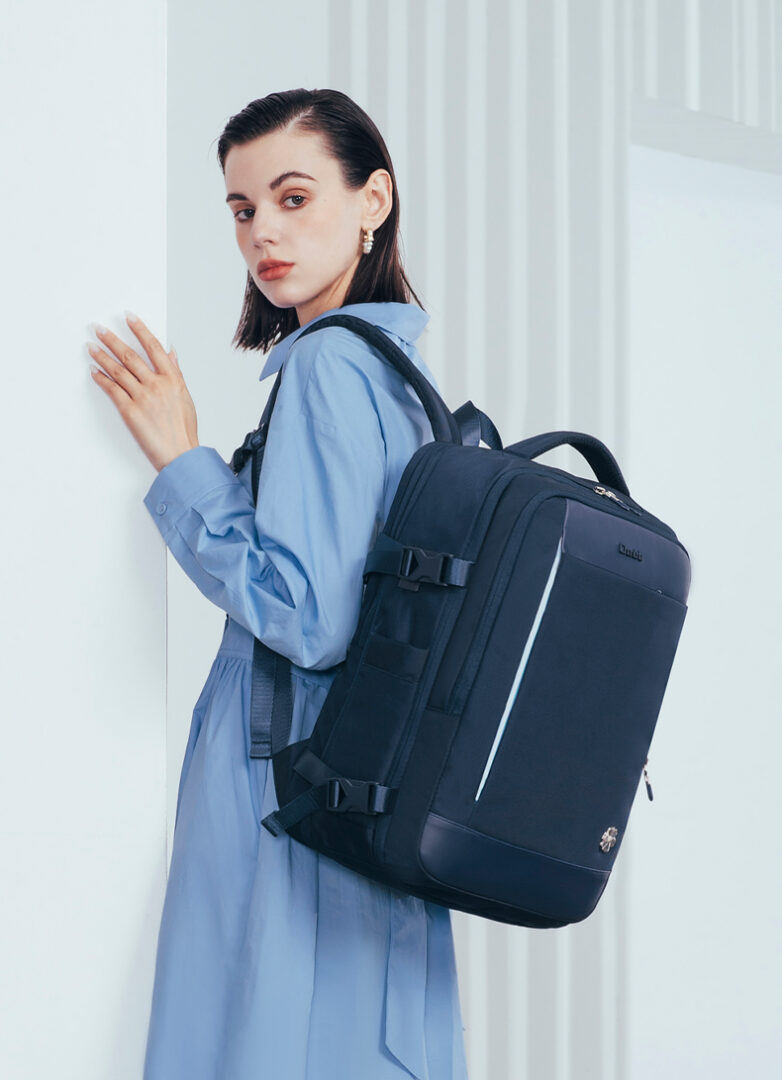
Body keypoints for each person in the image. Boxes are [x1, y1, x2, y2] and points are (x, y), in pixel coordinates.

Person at [87, 87, 469, 1080]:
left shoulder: (329, 367)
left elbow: (310, 615)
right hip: (367, 781)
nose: (263, 231)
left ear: (373, 199)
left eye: (294, 198)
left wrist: (185, 466)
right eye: (243, 208)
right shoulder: (399, 372)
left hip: (289, 781)